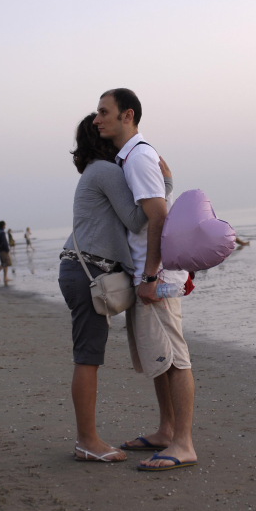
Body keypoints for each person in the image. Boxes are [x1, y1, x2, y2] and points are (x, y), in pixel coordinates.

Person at [59, 113, 174, 463]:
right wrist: (165, 183)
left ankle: (88, 439)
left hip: (87, 270)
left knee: (88, 353)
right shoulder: (106, 171)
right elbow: (139, 218)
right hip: (90, 272)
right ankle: (87, 442)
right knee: (88, 355)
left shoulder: (97, 171)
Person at [94, 88, 197, 471]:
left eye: (104, 112)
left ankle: (183, 443)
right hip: (147, 273)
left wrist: (151, 276)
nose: (97, 119)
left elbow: (159, 217)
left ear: (128, 115)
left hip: (156, 276)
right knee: (158, 357)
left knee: (174, 358)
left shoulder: (137, 157)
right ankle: (166, 430)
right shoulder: (134, 156)